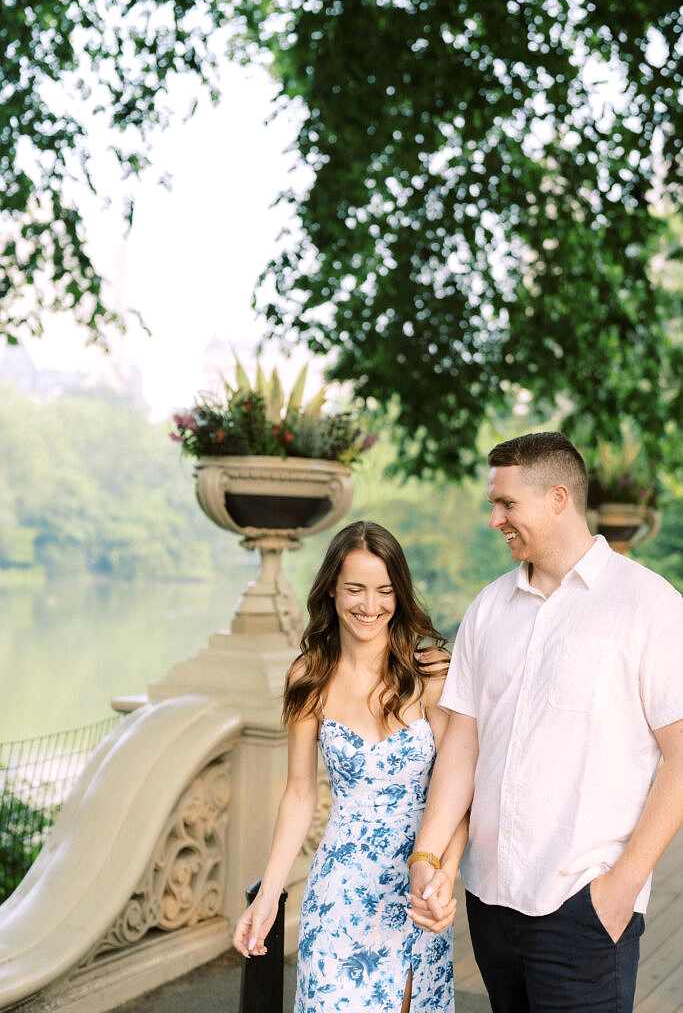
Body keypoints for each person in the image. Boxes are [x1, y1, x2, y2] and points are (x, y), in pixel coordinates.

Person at [408, 431, 683, 1012]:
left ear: (558, 498)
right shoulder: (488, 607)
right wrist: (428, 857)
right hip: (490, 902)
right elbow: (463, 743)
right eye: (493, 504)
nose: (494, 519)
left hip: (584, 908)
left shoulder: (648, 606)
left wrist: (619, 889)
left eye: (507, 504)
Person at [233, 520, 467, 1012]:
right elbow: (300, 794)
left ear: (399, 595)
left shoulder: (431, 673)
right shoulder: (309, 676)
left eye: (385, 591)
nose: (370, 605)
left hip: (415, 888)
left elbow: (460, 786)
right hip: (338, 891)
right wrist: (268, 897)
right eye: (355, 589)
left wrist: (445, 873)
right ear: (332, 592)